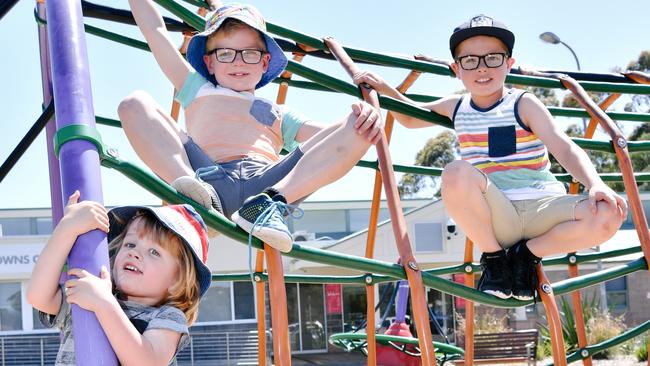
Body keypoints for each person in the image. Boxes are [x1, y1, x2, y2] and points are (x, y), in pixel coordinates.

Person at [353, 14, 627, 301]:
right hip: (498, 214)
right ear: (456, 69)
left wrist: (595, 183)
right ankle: (495, 260)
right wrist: (384, 89)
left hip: (543, 208)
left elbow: (564, 146)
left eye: (493, 58)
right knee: (456, 173)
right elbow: (409, 116)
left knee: (609, 215)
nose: (482, 68)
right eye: (470, 60)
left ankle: (526, 255)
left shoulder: (523, 103)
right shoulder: (456, 107)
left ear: (509, 63)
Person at [119, 2, 382, 253]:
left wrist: (365, 115)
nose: (238, 62)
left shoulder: (279, 113)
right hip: (207, 176)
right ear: (209, 62)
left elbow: (332, 141)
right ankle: (193, 195)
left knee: (361, 125)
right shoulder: (197, 88)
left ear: (265, 62)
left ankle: (270, 206)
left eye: (250, 54)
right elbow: (154, 31)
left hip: (270, 185)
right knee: (134, 103)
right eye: (225, 54)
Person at [27, 191, 212, 365]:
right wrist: (66, 229)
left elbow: (147, 362)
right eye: (130, 244)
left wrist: (104, 304)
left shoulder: (167, 317)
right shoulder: (89, 292)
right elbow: (38, 296)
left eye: (154, 252)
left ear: (177, 281)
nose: (135, 253)